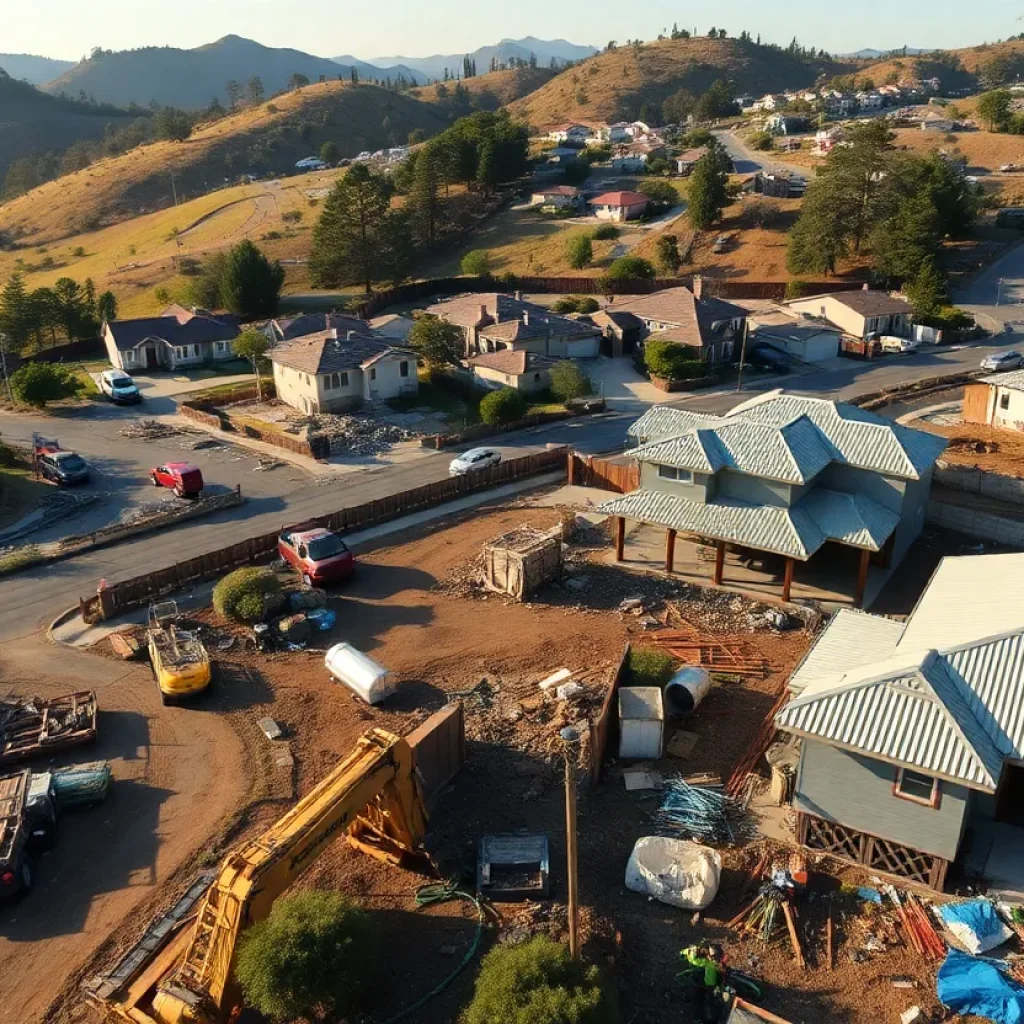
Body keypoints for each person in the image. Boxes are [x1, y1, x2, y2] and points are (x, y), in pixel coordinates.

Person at [680, 943, 727, 1023]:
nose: (715, 958)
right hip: (701, 983)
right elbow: (693, 959)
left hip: (708, 984)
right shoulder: (704, 961)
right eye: (714, 956)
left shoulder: (710, 962)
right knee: (701, 1001)